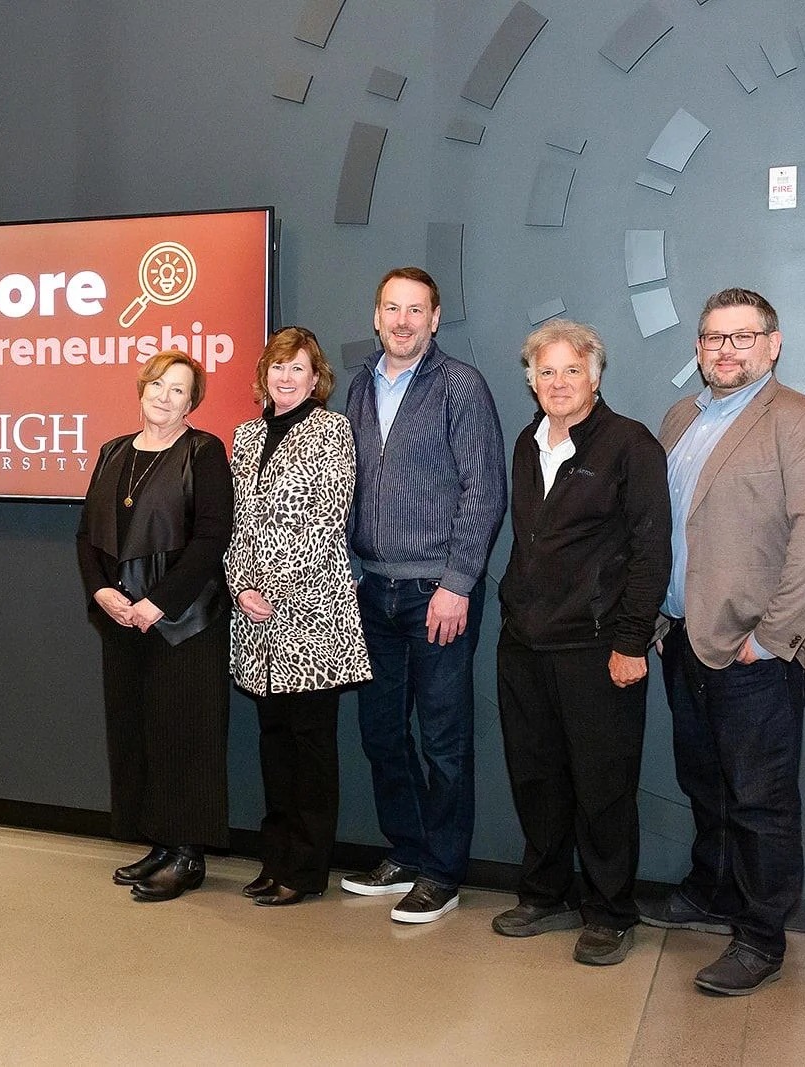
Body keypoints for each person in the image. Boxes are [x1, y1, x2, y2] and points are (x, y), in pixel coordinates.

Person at [640, 288, 805, 996]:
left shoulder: (803, 421)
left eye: (742, 337)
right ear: (698, 347)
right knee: (707, 784)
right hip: (686, 640)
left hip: (755, 650)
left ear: (773, 343)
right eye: (712, 338)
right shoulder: (680, 418)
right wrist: (662, 622)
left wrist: (772, 637)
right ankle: (713, 890)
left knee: (760, 799)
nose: (726, 350)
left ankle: (761, 935)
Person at [491, 320, 670, 966]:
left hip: (597, 649)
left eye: (571, 370)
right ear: (531, 380)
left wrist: (630, 641)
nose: (558, 382)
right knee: (536, 777)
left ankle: (609, 909)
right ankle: (545, 893)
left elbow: (652, 552)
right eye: (546, 371)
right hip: (524, 644)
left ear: (595, 376)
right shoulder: (525, 443)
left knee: (603, 786)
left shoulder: (631, 445)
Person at [342, 266, 506, 924]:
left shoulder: (459, 386)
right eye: (392, 308)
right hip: (371, 590)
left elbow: (483, 490)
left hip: (438, 594)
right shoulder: (358, 386)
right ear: (376, 316)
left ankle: (443, 869)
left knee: (442, 739)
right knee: (381, 732)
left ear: (436, 319)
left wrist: (457, 582)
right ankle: (406, 849)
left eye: (416, 309)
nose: (403, 320)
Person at [77, 350, 234, 902]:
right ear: (141, 388)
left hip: (184, 622)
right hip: (122, 621)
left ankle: (187, 855)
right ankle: (161, 844)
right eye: (157, 385)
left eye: (178, 390)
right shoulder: (113, 452)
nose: (164, 396)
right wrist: (101, 591)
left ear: (192, 403)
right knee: (140, 734)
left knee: (183, 735)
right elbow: (87, 536)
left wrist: (158, 604)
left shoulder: (205, 452)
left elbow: (213, 540)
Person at [226, 326, 371, 906]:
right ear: (264, 374)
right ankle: (274, 860)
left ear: (317, 379)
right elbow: (240, 521)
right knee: (273, 746)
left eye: (298, 368)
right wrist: (240, 586)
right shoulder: (246, 434)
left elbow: (322, 519)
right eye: (278, 367)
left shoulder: (331, 431)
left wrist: (272, 589)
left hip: (311, 614)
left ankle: (306, 872)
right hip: (254, 622)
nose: (286, 378)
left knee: (310, 751)